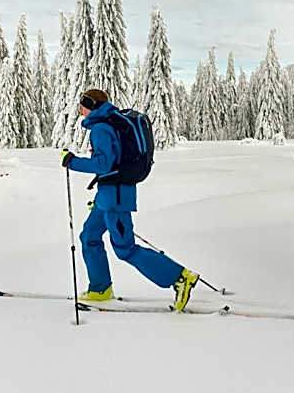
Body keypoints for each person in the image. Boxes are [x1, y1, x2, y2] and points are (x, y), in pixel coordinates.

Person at [60, 88, 200, 311]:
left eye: (82, 106)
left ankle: (180, 277)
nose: (80, 111)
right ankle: (100, 288)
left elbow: (103, 164)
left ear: (91, 105)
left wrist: (72, 161)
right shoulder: (108, 123)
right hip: (107, 195)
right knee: (89, 236)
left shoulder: (101, 128)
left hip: (115, 196)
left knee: (125, 248)